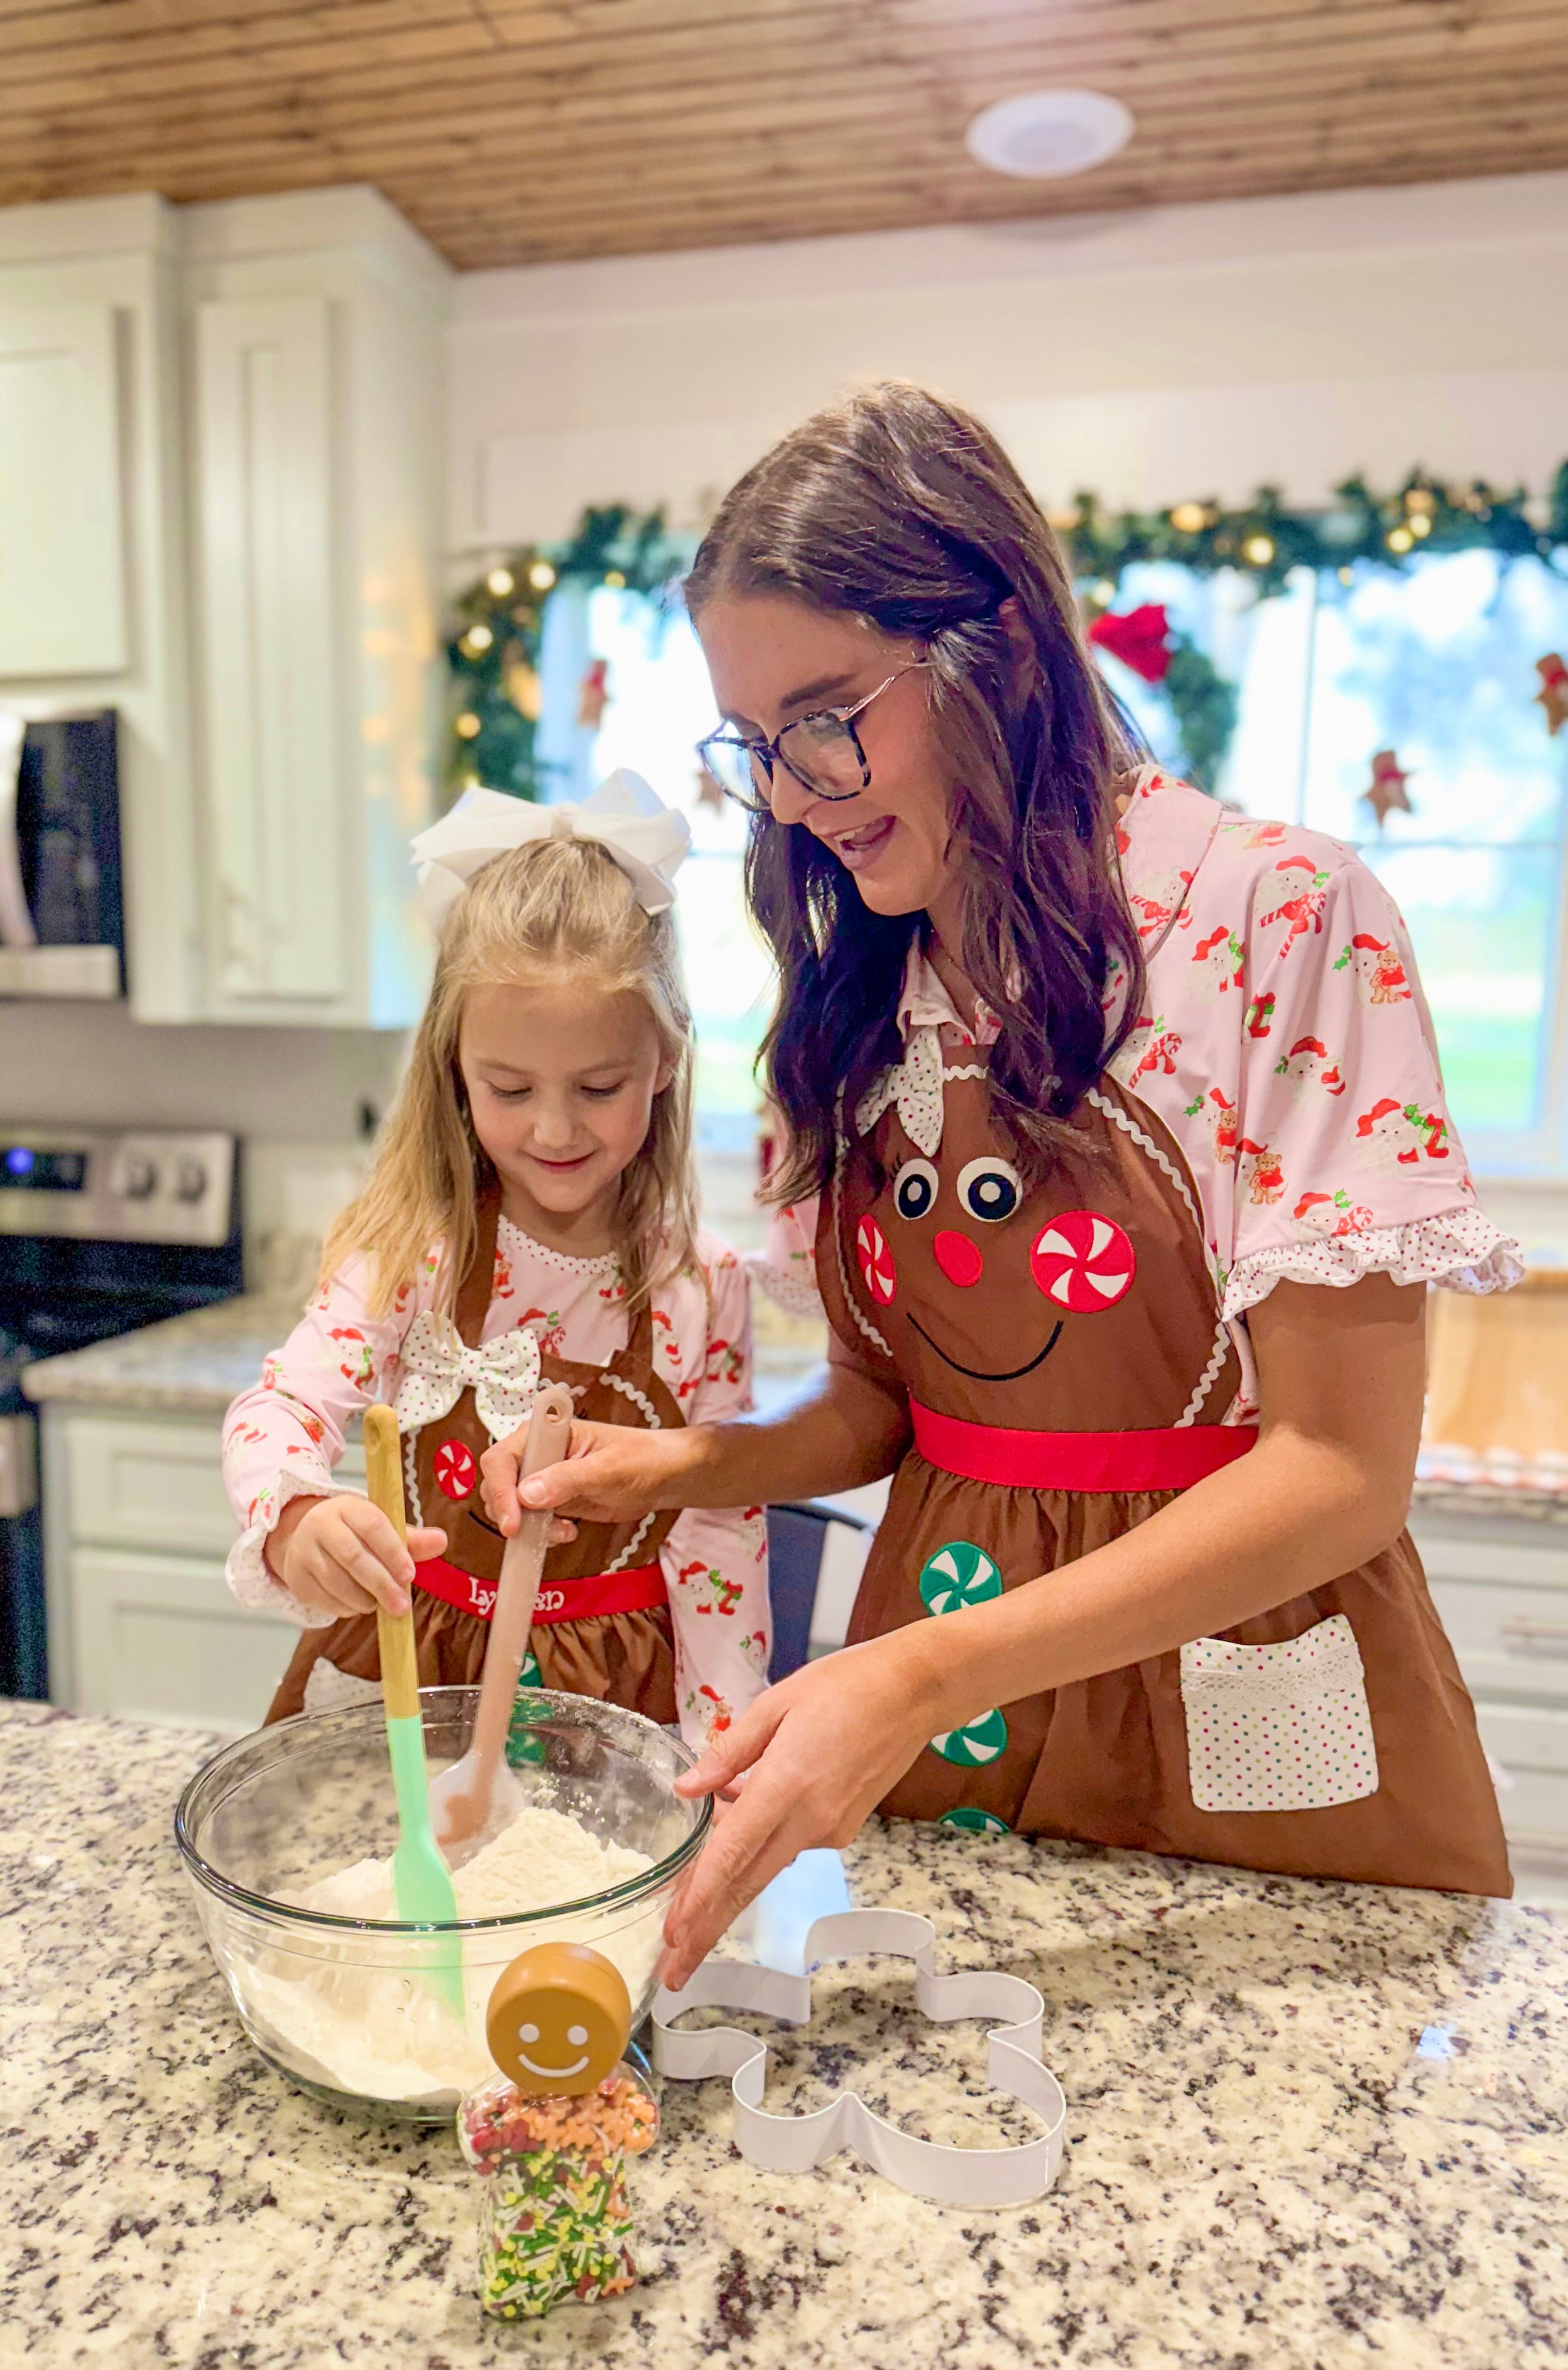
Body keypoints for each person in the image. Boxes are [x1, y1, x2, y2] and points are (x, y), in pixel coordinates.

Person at [482, 386, 1522, 1986]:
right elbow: (884, 1406)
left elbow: (1340, 1468)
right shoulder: (857, 992)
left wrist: (907, 1679)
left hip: (1239, 1683)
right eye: (756, 747)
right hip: (950, 1678)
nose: (790, 793)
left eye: (828, 717)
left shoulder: (1277, 917)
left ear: (1005, 648)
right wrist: (684, 1463)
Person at [222, 773, 768, 1747]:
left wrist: (723, 1747)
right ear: (454, 1069)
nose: (555, 1128)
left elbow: (717, 1525)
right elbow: (283, 1406)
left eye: (600, 1086)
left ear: (667, 1063)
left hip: (615, 1699)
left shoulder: (702, 1284)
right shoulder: (411, 1254)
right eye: (509, 1087)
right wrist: (297, 1513)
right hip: (413, 1676)